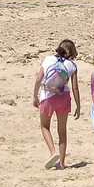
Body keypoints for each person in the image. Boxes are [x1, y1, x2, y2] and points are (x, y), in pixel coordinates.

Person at [32, 39, 81, 170]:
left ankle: (53, 152)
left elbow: (38, 79)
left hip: (47, 97)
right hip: (63, 97)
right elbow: (75, 87)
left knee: (44, 126)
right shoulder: (72, 65)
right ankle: (62, 163)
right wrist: (78, 105)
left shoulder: (48, 59)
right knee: (62, 131)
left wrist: (35, 96)